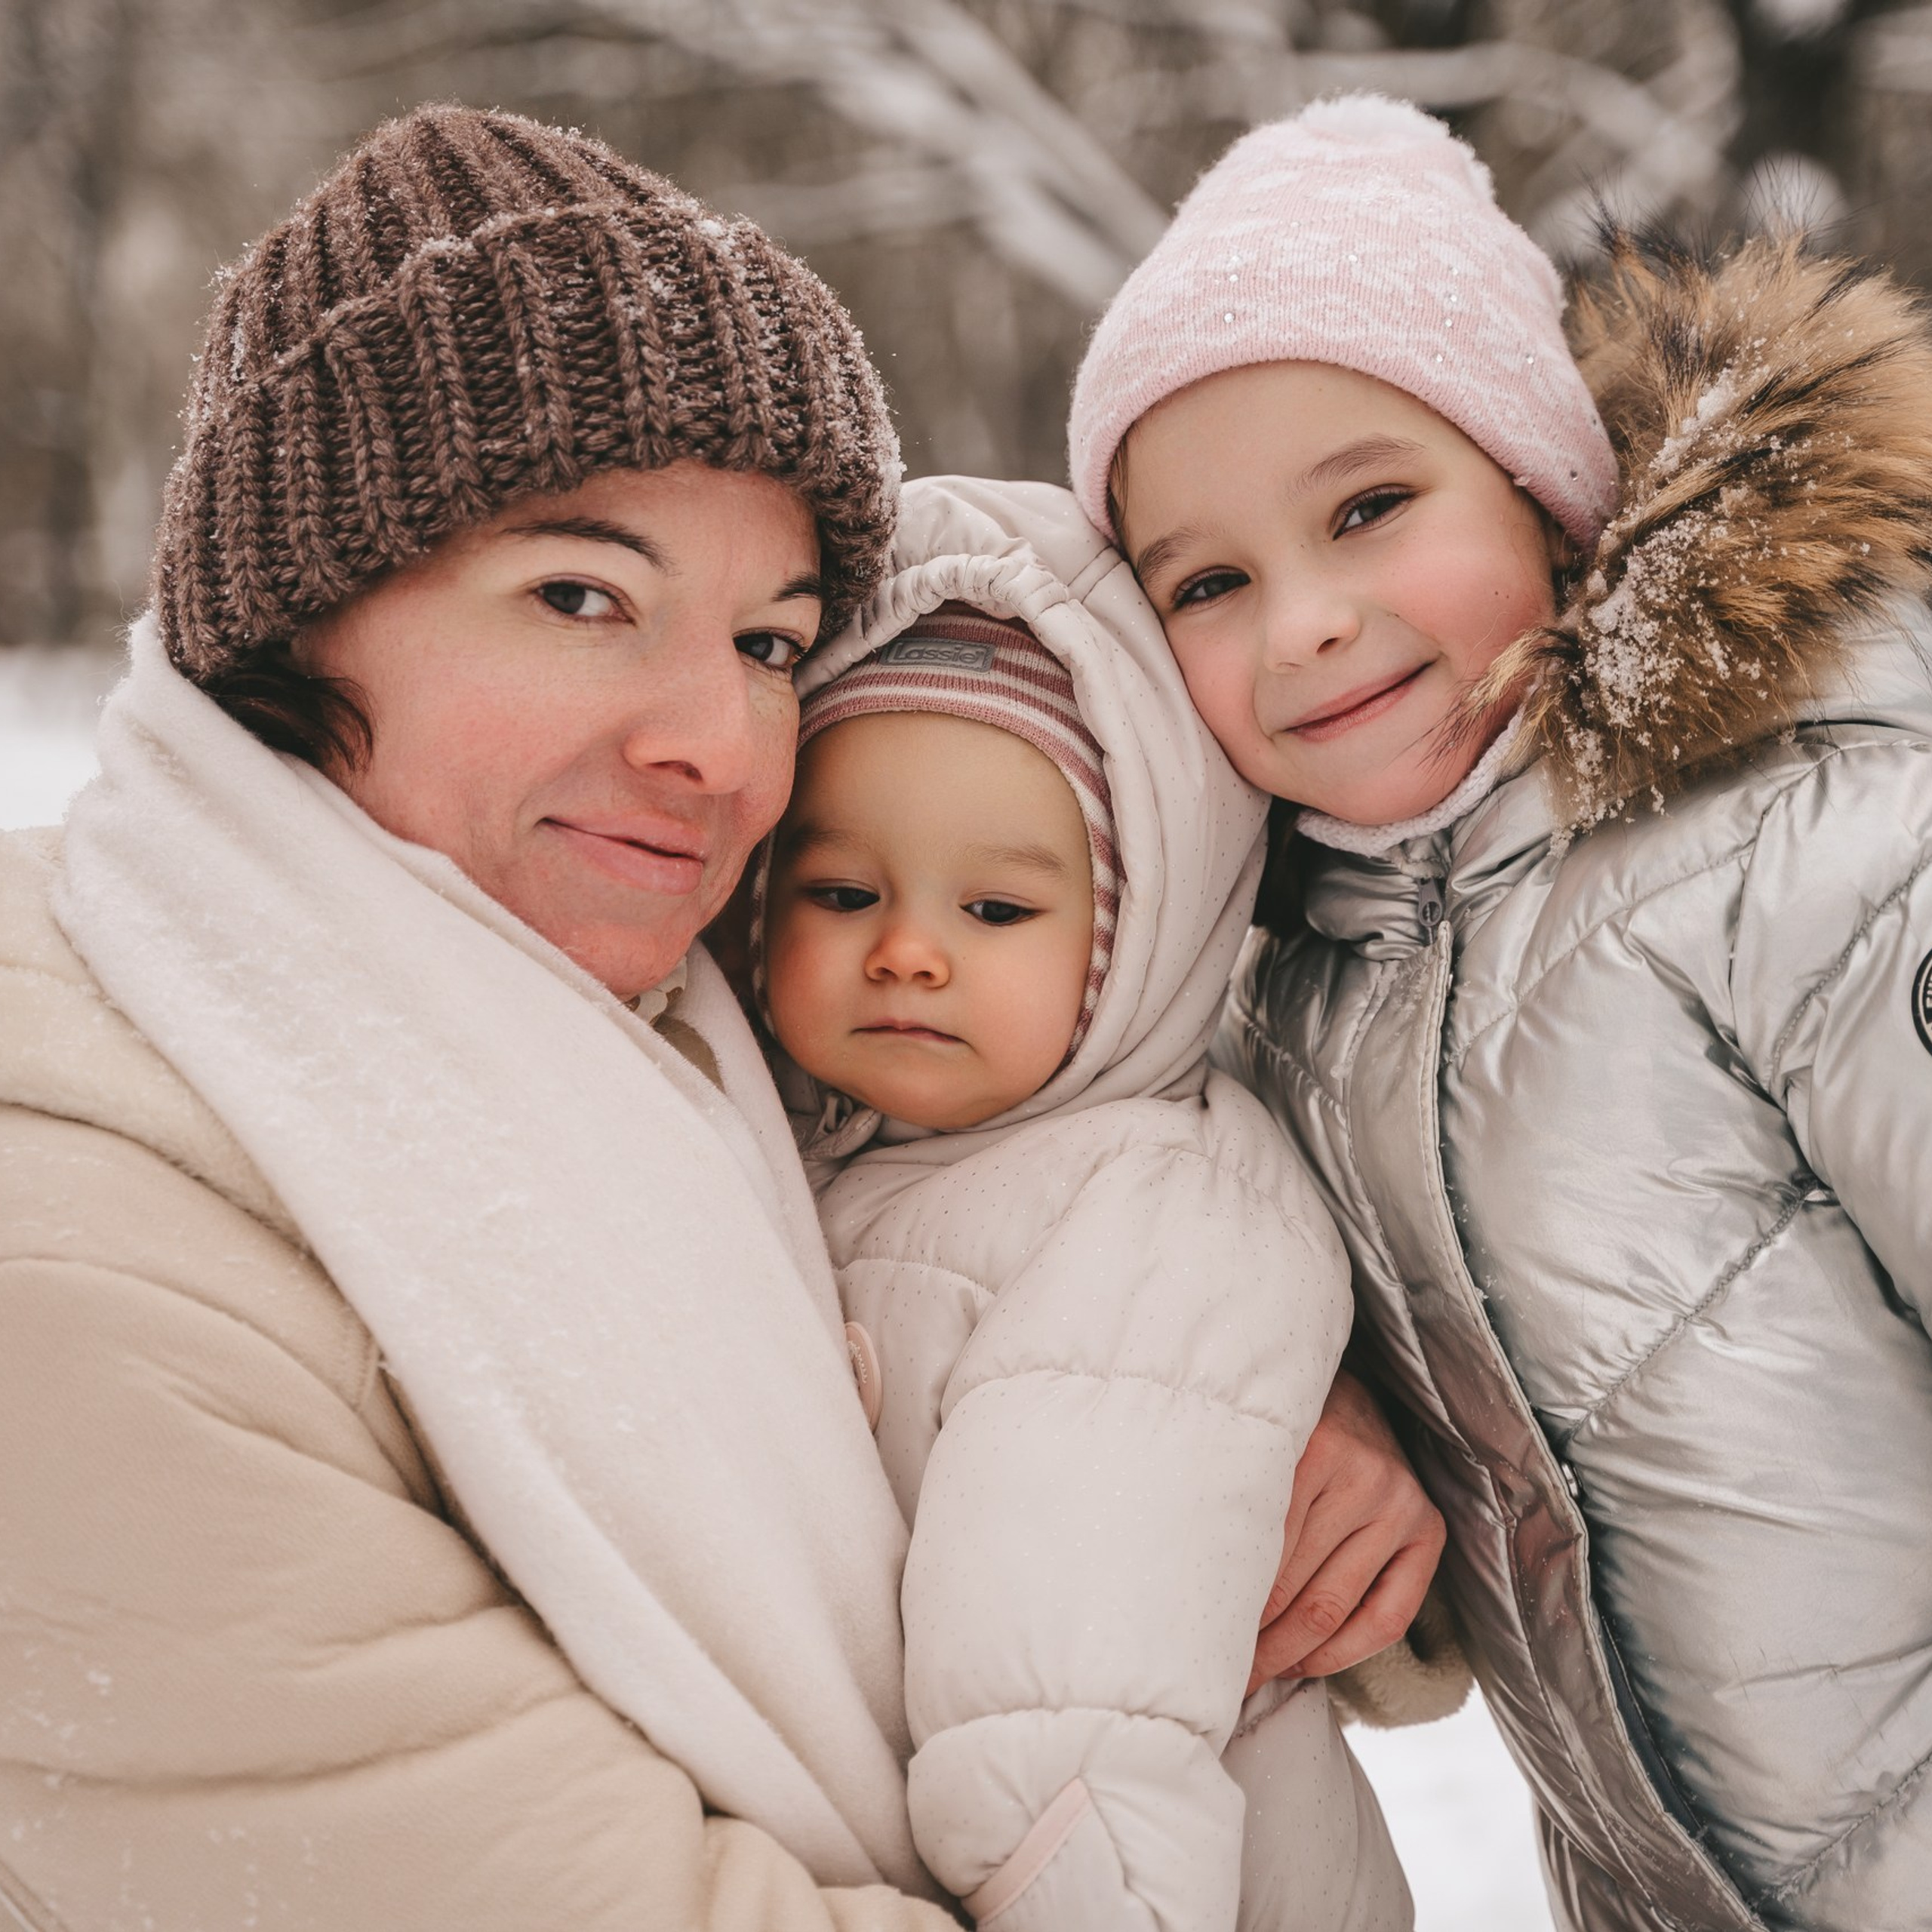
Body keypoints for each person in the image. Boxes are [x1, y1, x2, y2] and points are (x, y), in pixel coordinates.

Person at [0, 104, 1439, 1928]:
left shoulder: (683, 1024)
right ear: (298, 618)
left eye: (771, 639)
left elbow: (996, 1214)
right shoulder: (74, 1260)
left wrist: (1255, 1391)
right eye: (583, 594)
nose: (717, 744)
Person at [1066, 91, 1932, 1932]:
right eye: (1207, 581)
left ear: (1543, 488)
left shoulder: (1803, 841)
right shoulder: (1304, 989)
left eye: (1368, 507)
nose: (1301, 618)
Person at [757, 477, 1466, 1930]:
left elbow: (1072, 1715)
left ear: (1138, 936)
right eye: (839, 893)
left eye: (997, 910)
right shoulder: (812, 1155)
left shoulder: (1155, 1215)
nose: (906, 953)